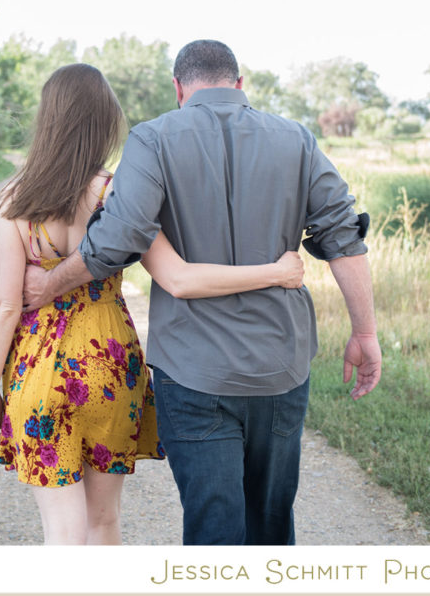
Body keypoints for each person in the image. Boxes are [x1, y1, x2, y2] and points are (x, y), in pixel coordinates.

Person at [21, 41, 382, 546]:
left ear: (178, 87)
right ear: (239, 83)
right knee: (271, 522)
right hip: (279, 365)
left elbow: (118, 237)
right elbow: (343, 236)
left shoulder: (152, 140)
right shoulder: (297, 140)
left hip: (192, 371)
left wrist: (50, 283)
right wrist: (365, 332)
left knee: (213, 528)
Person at [0, 62, 307, 545]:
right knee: (104, 520)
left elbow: (6, 305)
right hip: (109, 366)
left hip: (39, 369)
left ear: (46, 120)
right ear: (105, 122)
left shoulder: (16, 199)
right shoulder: (117, 192)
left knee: (61, 530)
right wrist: (277, 272)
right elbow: (178, 276)